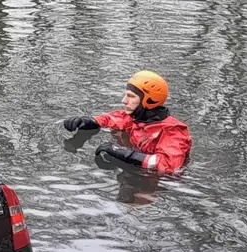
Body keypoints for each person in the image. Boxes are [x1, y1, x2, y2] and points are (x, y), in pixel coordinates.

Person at [61, 70, 193, 175]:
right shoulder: (135, 118)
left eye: (131, 96)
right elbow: (112, 119)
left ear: (148, 100)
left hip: (158, 184)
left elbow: (168, 166)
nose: (124, 100)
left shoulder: (173, 131)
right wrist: (87, 121)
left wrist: (121, 152)